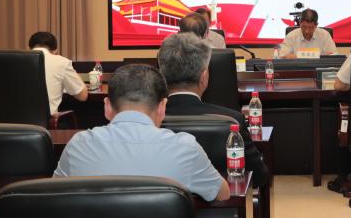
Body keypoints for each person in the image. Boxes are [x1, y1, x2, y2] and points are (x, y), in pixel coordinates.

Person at [54, 65, 230, 202]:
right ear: (162, 108)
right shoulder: (185, 147)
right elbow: (222, 194)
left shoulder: (78, 145)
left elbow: (55, 197)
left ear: (107, 107)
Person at [159, 33, 269, 188]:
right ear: (204, 77)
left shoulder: (148, 122)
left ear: (162, 75)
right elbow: (258, 176)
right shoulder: (231, 121)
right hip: (222, 200)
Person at [28, 31, 88, 115]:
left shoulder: (15, 61)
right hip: (46, 121)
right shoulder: (62, 62)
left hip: (12, 120)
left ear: (30, 48)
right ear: (55, 50)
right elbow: (83, 96)